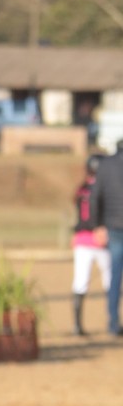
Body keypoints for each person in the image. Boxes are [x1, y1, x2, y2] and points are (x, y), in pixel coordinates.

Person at [70, 155, 110, 336]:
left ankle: (77, 326)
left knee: (80, 283)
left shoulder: (81, 189)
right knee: (110, 283)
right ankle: (113, 322)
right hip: (100, 240)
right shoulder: (102, 188)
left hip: (82, 240)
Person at [89, 138, 123, 336]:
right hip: (114, 226)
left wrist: (97, 225)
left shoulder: (105, 165)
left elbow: (95, 197)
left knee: (115, 277)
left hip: (113, 226)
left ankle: (113, 322)